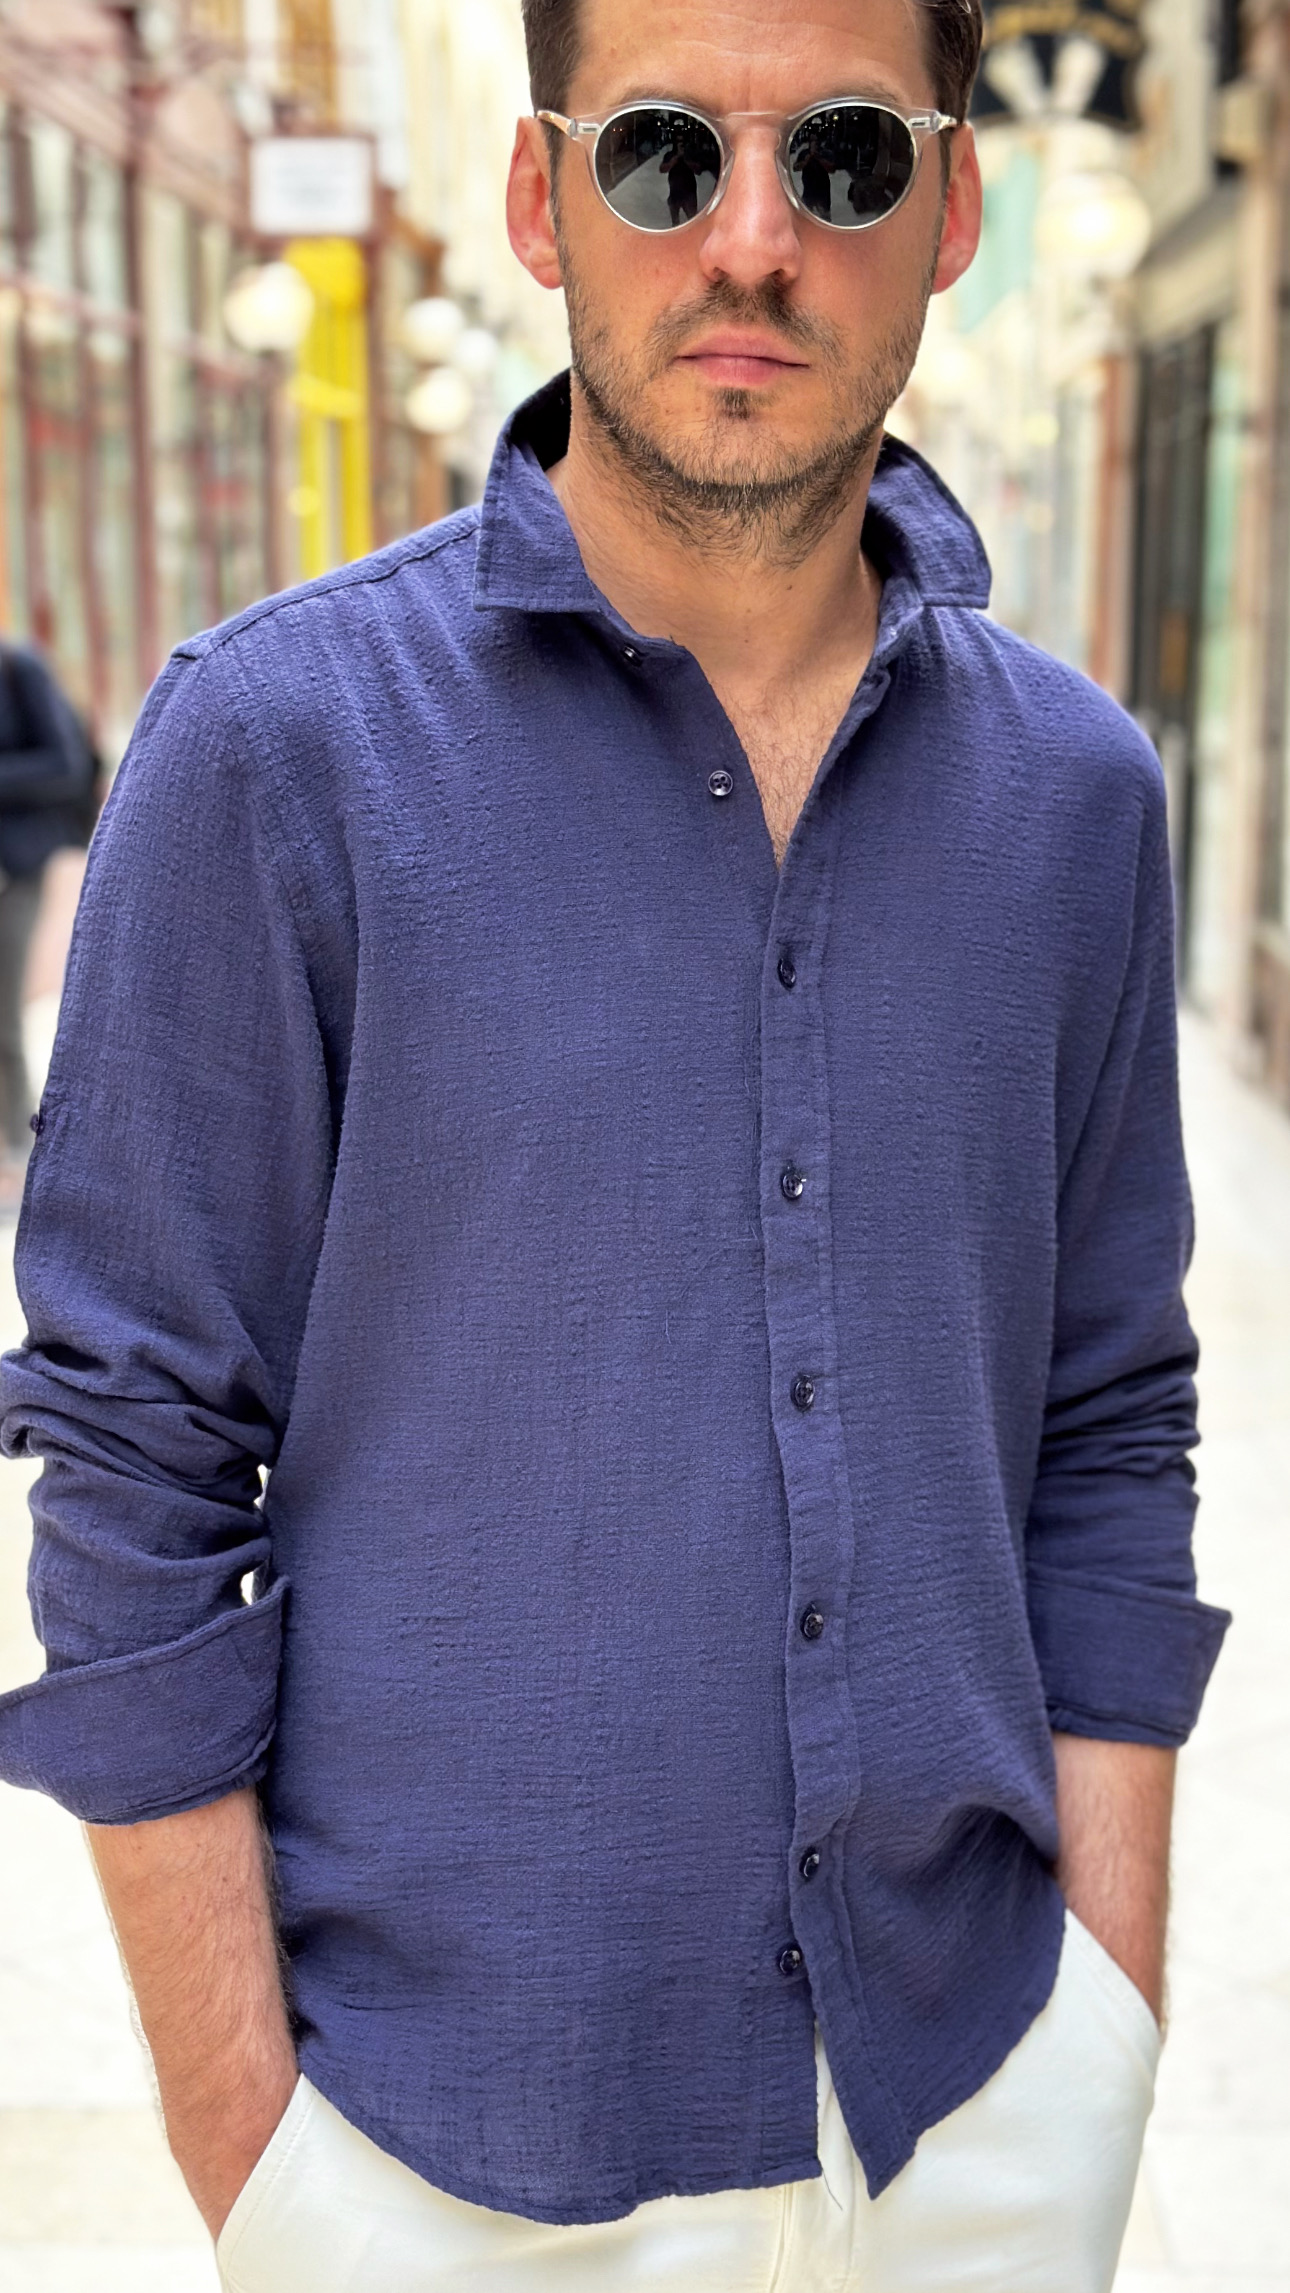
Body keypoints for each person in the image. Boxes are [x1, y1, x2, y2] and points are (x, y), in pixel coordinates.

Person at [0, 1, 1229, 2288]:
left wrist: (1106, 2022)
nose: (751, 238)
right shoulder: (272, 752)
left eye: (843, 158)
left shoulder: (1077, 802)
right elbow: (137, 1467)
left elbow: (1104, 1409)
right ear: (539, 193)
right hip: (436, 2163)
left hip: (975, 2117)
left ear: (954, 202)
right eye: (666, 152)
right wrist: (264, 2164)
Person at [0, 639, 99, 1216]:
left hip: (15, 868)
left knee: (5, 1016)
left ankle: (17, 1154)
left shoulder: (19, 669)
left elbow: (66, 765)